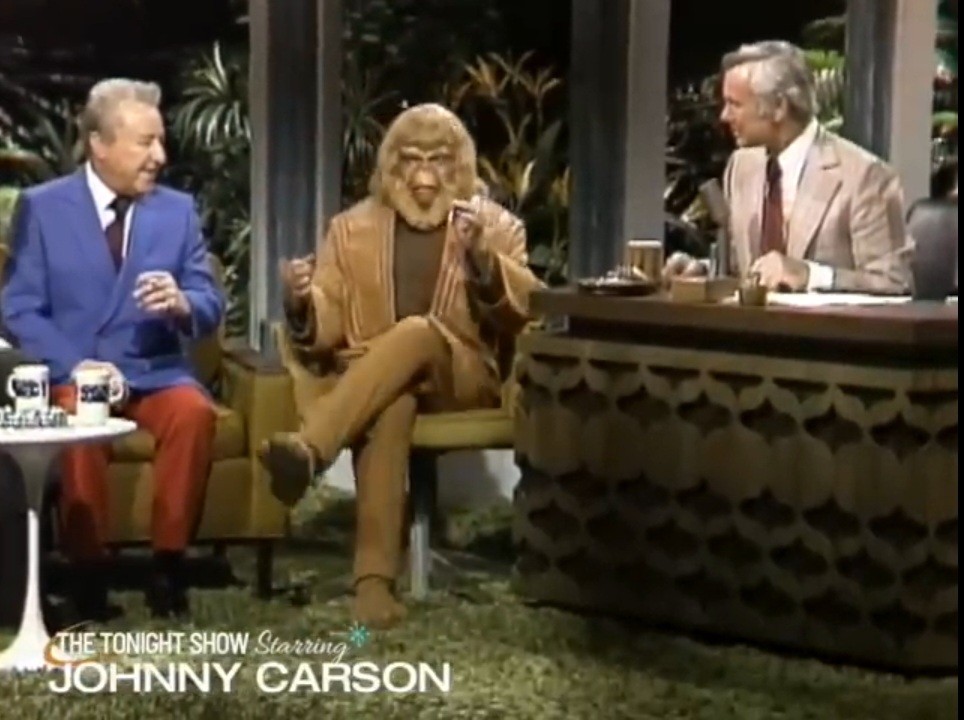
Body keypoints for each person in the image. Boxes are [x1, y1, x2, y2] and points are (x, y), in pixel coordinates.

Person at [261, 103, 544, 629]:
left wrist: (484, 259)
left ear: (460, 166)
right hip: (382, 381)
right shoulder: (349, 230)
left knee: (416, 332)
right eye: (411, 160)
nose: (423, 175)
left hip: (463, 378)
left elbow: (526, 310)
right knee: (393, 402)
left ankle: (311, 447)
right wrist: (299, 301)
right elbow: (327, 323)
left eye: (438, 161)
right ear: (391, 166)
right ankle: (374, 585)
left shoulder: (496, 227)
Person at [1, 78, 224, 620]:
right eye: (145, 143)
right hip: (78, 371)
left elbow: (208, 299)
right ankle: (89, 573)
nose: (160, 156)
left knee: (194, 413)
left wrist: (183, 303)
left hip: (154, 369)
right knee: (80, 420)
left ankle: (169, 566)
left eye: (161, 141)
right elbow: (18, 308)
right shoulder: (43, 208)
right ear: (99, 145)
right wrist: (78, 365)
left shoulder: (177, 211)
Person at [665, 41, 912, 293]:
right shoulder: (742, 166)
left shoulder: (865, 177)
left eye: (735, 104)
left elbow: (894, 281)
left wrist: (811, 275)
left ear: (779, 108)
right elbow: (742, 272)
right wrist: (703, 271)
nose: (724, 116)